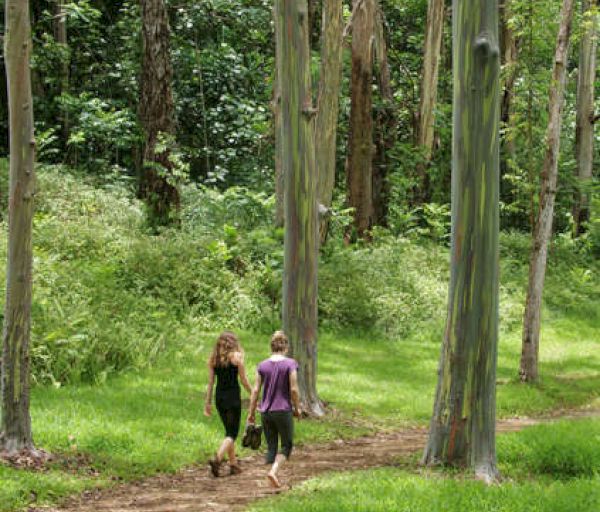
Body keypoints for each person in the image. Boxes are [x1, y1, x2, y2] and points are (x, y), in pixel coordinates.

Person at [248, 330, 301, 488]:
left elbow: (256, 390)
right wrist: (297, 408)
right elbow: (293, 389)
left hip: (266, 411)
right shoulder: (290, 364)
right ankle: (273, 472)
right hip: (283, 410)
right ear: (286, 347)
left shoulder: (262, 365)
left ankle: (263, 482)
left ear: (271, 347)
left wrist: (251, 413)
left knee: (271, 447)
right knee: (286, 446)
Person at [204, 331, 252, 477]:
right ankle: (217, 458)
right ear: (233, 343)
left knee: (228, 431)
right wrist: (253, 393)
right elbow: (243, 380)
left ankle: (233, 465)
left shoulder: (214, 359)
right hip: (233, 399)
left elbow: (211, 383)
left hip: (220, 399)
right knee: (232, 433)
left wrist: (208, 402)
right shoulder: (237, 358)